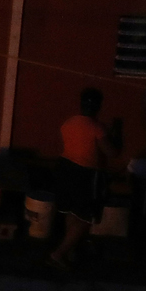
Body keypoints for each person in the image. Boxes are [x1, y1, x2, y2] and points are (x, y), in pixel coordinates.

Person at [52, 87, 120, 268]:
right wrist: (115, 136)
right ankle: (59, 253)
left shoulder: (69, 123)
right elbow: (112, 152)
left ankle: (71, 250)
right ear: (98, 106)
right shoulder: (97, 128)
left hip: (65, 168)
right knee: (85, 217)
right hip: (85, 173)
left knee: (72, 211)